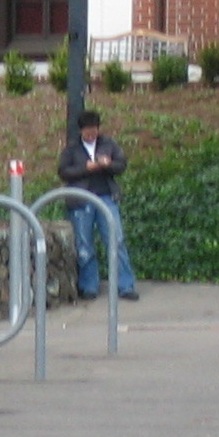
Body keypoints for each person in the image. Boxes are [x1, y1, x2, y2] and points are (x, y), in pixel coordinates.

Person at [56, 108, 140, 302]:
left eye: (94, 129)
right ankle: (89, 285)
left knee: (116, 241)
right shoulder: (72, 148)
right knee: (84, 244)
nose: (91, 133)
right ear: (81, 131)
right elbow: (63, 172)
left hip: (106, 197)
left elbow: (121, 165)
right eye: (87, 131)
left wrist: (107, 164)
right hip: (81, 200)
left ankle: (125, 285)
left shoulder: (108, 144)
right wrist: (85, 168)